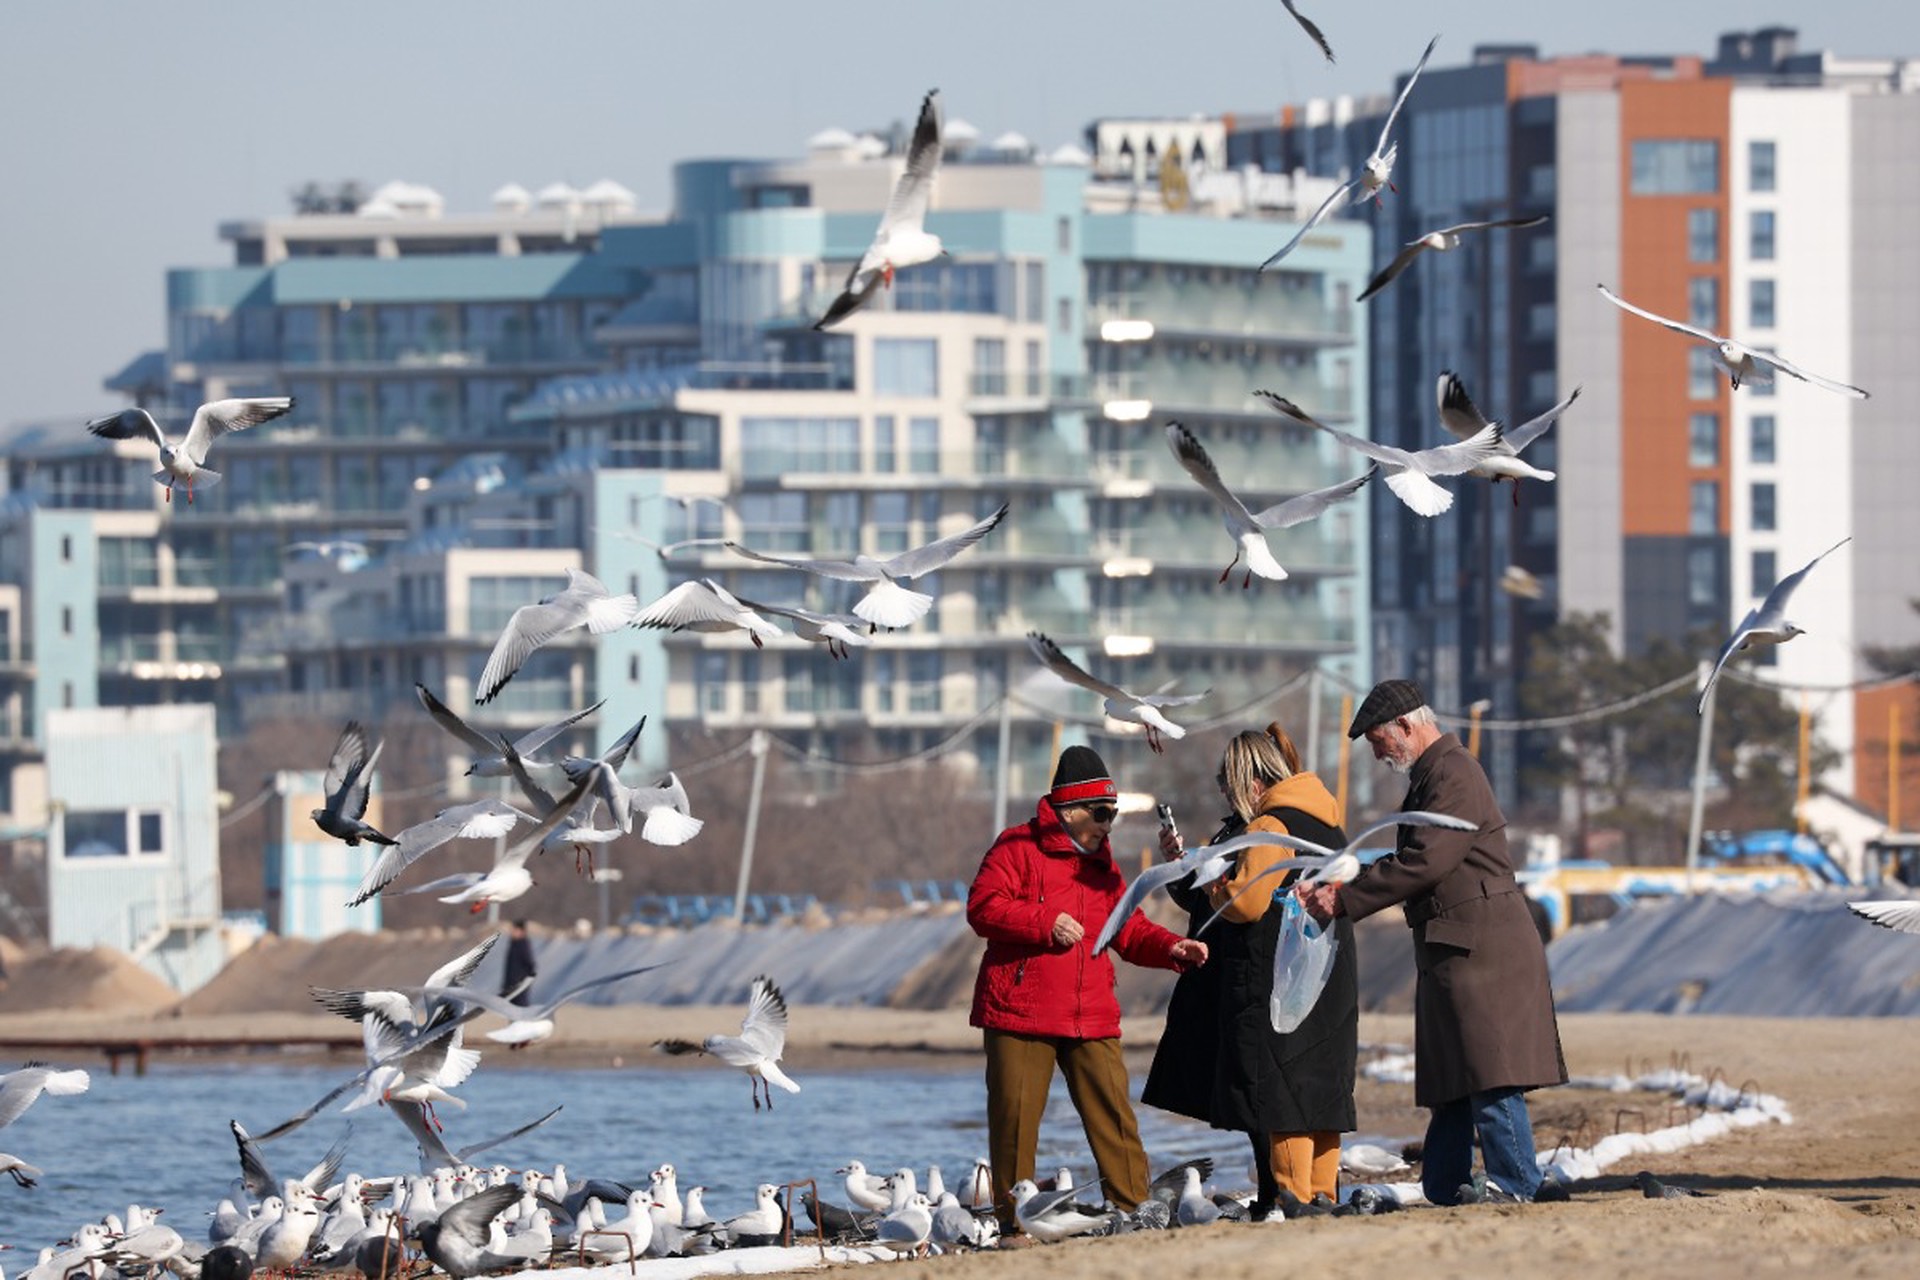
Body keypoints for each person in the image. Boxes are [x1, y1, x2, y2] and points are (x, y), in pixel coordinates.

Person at [1300, 680, 1567, 1205]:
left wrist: (1346, 900)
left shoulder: (1453, 773)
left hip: (1481, 948)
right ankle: (1446, 1188)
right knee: (1454, 1076)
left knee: (1491, 1071)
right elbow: (1421, 858)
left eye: (1378, 740)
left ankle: (1517, 1184)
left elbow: (1427, 861)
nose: (1377, 754)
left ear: (1407, 724)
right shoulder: (1434, 775)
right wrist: (1343, 880)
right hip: (1458, 945)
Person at [967, 744, 1209, 1236]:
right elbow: (982, 908)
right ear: (1069, 809)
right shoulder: (1015, 848)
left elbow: (1128, 928)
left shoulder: (1104, 866)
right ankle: (1016, 1230)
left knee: (1116, 1119)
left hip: (1091, 1011)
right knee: (1014, 1125)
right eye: (1101, 813)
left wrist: (1172, 948)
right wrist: (1044, 922)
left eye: (1113, 814)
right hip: (1020, 1013)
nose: (1108, 824)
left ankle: (1135, 1212)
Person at [1142, 724, 1357, 1219]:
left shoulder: (1274, 826)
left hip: (1278, 980)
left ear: (1252, 783)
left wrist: (1220, 887)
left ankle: (1293, 1200)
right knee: (1321, 1095)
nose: (1229, 794)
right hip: (1329, 976)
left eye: (1230, 784)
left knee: (1279, 1095)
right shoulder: (1328, 822)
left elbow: (1248, 901)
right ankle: (1323, 1196)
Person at [502, 919, 537, 1007]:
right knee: (510, 1011)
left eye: (514, 930)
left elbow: (530, 965)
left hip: (519, 987)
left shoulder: (523, 945)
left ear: (521, 931)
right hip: (510, 985)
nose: (512, 932)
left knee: (520, 1011)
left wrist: (524, 983)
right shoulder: (513, 944)